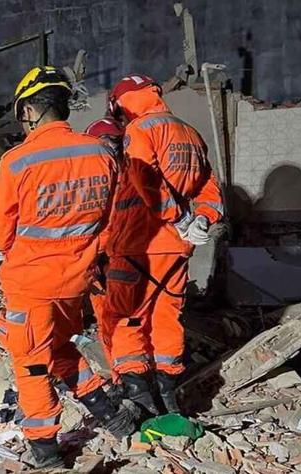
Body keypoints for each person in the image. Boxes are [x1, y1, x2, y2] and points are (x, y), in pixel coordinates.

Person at [0, 66, 134, 468]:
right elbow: (110, 223)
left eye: (22, 113)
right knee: (59, 350)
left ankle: (46, 451)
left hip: (31, 285)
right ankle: (112, 416)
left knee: (32, 366)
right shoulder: (101, 152)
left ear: (31, 109)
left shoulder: (17, 161)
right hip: (77, 281)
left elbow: (0, 232)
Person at [104, 74, 224, 414]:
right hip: (177, 248)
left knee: (126, 319)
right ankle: (169, 398)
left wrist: (178, 217)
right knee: (166, 319)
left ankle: (141, 402)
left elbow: (147, 181)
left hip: (139, 244)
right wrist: (202, 219)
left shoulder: (141, 130)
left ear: (121, 104)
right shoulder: (190, 133)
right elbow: (210, 191)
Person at [85, 117, 126, 384]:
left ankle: (128, 379)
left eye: (113, 143)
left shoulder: (126, 178)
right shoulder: (129, 176)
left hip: (116, 260)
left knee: (120, 323)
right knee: (110, 324)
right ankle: (122, 378)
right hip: (104, 262)